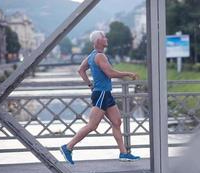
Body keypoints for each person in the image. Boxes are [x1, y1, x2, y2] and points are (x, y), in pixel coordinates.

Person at [60, 30, 140, 165]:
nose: (106, 38)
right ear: (98, 41)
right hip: (102, 93)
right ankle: (68, 147)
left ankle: (124, 153)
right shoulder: (100, 56)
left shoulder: (92, 56)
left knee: (117, 122)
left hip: (105, 93)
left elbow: (81, 70)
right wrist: (128, 73)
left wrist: (90, 85)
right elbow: (110, 73)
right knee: (92, 125)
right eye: (104, 37)